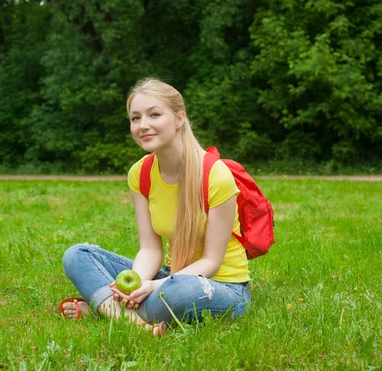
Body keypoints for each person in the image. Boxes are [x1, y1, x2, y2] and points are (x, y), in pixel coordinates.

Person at [60, 77, 251, 336]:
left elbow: (211, 262)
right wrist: (135, 286)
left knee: (180, 291)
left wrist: (155, 286)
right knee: (77, 255)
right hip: (167, 275)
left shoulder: (216, 175)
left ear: (179, 118)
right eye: (135, 118)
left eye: (154, 115)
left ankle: (102, 308)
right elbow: (150, 249)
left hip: (219, 286)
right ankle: (135, 321)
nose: (143, 125)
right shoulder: (140, 173)